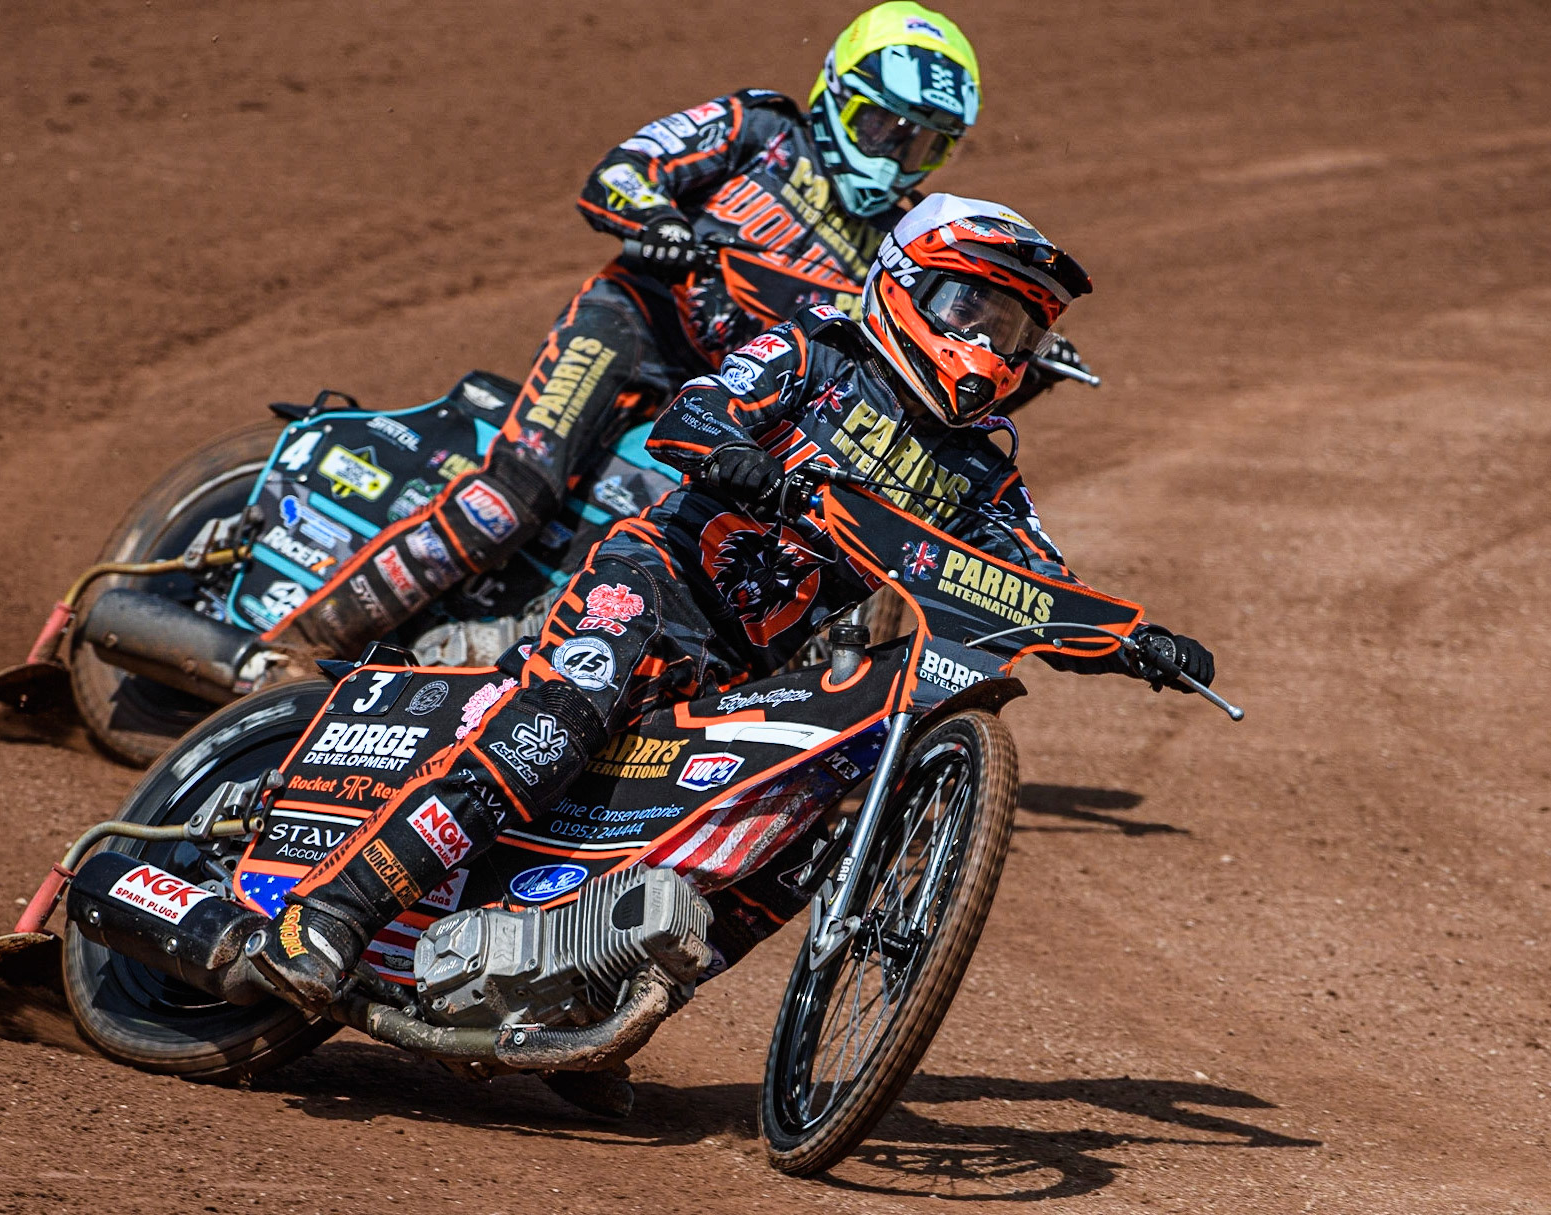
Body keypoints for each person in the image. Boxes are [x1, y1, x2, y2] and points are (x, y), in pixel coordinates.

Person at [249, 193, 1216, 1021]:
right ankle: (334, 908)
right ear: (903, 284)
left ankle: (589, 996)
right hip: (655, 586)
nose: (986, 344)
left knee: (796, 833)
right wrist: (736, 457)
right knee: (556, 725)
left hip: (758, 668)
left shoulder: (980, 466)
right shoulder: (811, 354)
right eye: (969, 308)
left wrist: (1134, 638)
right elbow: (695, 411)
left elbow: (1034, 574)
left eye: (1012, 330)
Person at [263, 4, 1082, 658]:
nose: (899, 156)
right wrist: (655, 220)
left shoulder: (907, 246)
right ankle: (295, 646)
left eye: (926, 142)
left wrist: (1012, 352)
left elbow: (894, 369)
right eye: (883, 129)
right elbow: (621, 170)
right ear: (840, 94)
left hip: (748, 395)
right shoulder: (759, 130)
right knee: (510, 497)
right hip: (637, 328)